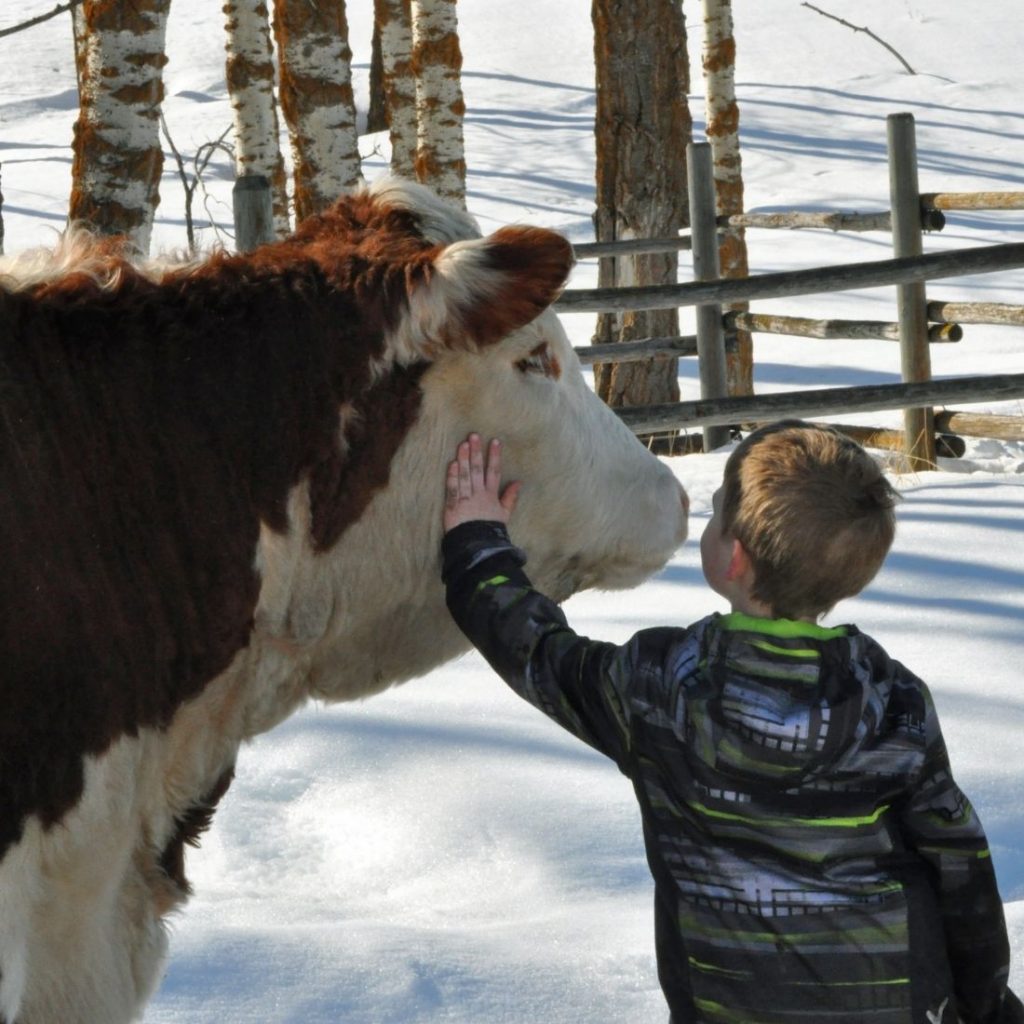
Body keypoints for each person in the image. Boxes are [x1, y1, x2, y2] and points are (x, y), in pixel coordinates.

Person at [440, 421, 1022, 1024]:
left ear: (734, 556)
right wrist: (985, 1004)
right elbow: (958, 863)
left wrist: (476, 540)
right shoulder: (895, 701)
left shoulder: (661, 688)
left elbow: (536, 652)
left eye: (718, 512)